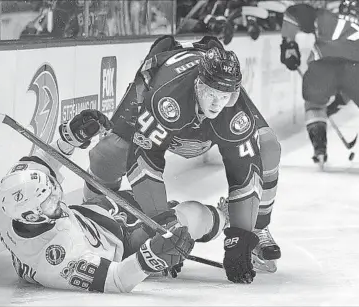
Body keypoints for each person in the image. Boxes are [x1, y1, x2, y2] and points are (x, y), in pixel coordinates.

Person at [84, 35, 282, 283]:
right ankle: (93, 214)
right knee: (107, 154)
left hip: (197, 102)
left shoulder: (232, 107)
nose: (216, 103)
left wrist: (241, 238)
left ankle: (259, 228)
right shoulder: (166, 97)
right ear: (199, 84)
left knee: (268, 147)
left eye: (224, 95)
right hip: (165, 93)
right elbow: (145, 161)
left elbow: (245, 170)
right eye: (211, 93)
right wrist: (163, 228)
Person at [0, 109, 233, 293]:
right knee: (188, 215)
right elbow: (117, 279)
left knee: (108, 160)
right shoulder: (56, 262)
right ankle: (225, 218)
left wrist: (71, 137)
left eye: (54, 189)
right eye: (49, 203)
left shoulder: (13, 196)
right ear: (33, 217)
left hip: (95, 213)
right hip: (125, 244)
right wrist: (150, 258)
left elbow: (48, 159)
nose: (57, 197)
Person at [280, 0, 359, 166]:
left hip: (323, 63)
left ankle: (319, 150)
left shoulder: (325, 15)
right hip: (358, 68)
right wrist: (339, 103)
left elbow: (292, 13)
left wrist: (288, 44)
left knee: (314, 104)